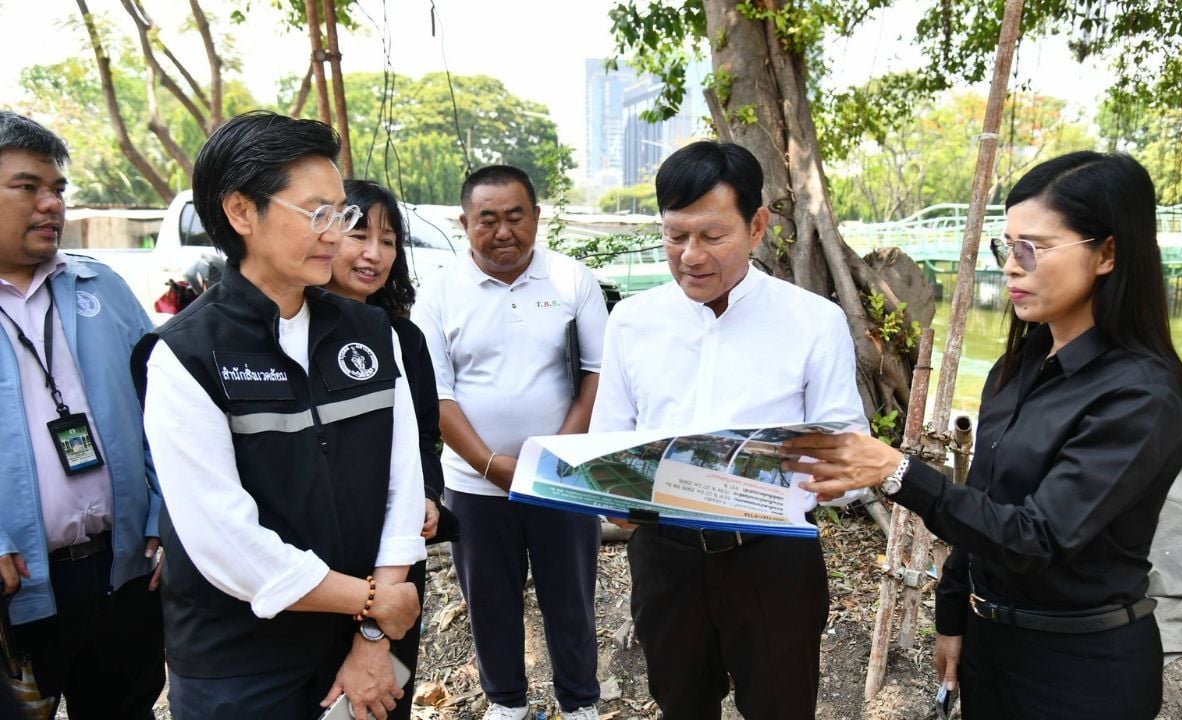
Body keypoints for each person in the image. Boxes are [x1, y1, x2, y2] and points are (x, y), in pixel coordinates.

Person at [786, 151, 1182, 720]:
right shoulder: (1019, 368)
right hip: (992, 647)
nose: (1011, 266)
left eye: (1034, 247)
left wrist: (898, 473)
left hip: (1082, 669)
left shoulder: (1143, 396)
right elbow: (987, 509)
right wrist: (953, 618)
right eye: (1006, 247)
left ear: (1107, 253)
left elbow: (1038, 538)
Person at [132, 111, 427, 720]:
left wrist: (371, 635)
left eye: (340, 213)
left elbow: (403, 489)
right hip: (242, 664)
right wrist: (373, 601)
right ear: (242, 212)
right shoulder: (185, 356)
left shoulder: (371, 332)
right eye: (316, 213)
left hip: (362, 645)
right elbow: (225, 542)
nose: (337, 233)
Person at [589, 140, 869, 719]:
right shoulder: (632, 321)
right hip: (665, 561)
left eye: (712, 236)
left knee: (781, 707)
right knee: (681, 704)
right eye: (675, 236)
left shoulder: (814, 322)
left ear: (757, 225)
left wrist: (807, 477)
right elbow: (608, 442)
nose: (690, 255)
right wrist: (607, 495)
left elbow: (850, 458)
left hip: (773, 560)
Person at [413, 165, 607, 720]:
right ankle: (506, 702)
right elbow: (438, 395)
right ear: (464, 223)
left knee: (570, 597)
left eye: (515, 217)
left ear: (536, 217)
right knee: (489, 601)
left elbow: (597, 374)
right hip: (474, 484)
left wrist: (555, 462)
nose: (504, 232)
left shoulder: (572, 281)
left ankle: (580, 703)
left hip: (563, 481)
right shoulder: (441, 292)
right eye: (488, 220)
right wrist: (492, 464)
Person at [0, 111, 165, 718]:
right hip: (16, 588)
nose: (51, 204)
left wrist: (163, 514)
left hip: (124, 573)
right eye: (27, 187)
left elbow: (165, 414)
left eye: (58, 189)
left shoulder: (104, 287)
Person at [324, 178, 460, 720]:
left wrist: (427, 493)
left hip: (399, 560)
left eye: (388, 239)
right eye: (359, 234)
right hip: (323, 565)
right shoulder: (280, 335)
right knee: (328, 695)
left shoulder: (404, 339)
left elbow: (425, 435)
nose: (374, 253)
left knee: (384, 696)